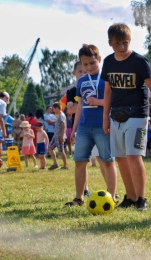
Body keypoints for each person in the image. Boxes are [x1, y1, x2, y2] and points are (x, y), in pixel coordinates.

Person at [101, 23, 151, 211]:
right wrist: (105, 119)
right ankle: (130, 197)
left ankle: (141, 199)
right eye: (118, 43)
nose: (122, 47)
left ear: (130, 41)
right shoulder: (108, 62)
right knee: (120, 158)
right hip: (116, 116)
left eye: (125, 43)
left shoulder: (139, 61)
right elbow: (107, 92)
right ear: (110, 43)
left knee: (134, 156)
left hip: (137, 115)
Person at [65, 44, 118, 207]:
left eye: (92, 63)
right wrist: (74, 130)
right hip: (84, 128)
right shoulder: (81, 82)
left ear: (99, 60)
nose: (89, 67)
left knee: (107, 161)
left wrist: (97, 102)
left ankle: (112, 195)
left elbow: (114, 101)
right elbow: (79, 108)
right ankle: (79, 197)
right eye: (85, 64)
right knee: (80, 161)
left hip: (103, 126)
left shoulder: (107, 78)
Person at [66, 61, 90, 197]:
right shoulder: (71, 91)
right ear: (74, 73)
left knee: (101, 158)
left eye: (85, 72)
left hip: (94, 124)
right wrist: (85, 102)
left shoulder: (93, 86)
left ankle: (112, 191)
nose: (83, 74)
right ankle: (85, 189)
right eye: (80, 71)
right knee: (82, 160)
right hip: (80, 127)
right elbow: (71, 109)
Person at [48, 102, 68, 170]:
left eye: (53, 109)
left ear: (57, 108)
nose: (53, 110)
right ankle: (55, 163)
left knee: (61, 151)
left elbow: (63, 126)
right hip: (55, 135)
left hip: (59, 136)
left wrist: (62, 136)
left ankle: (65, 166)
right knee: (50, 148)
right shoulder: (58, 115)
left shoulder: (61, 115)